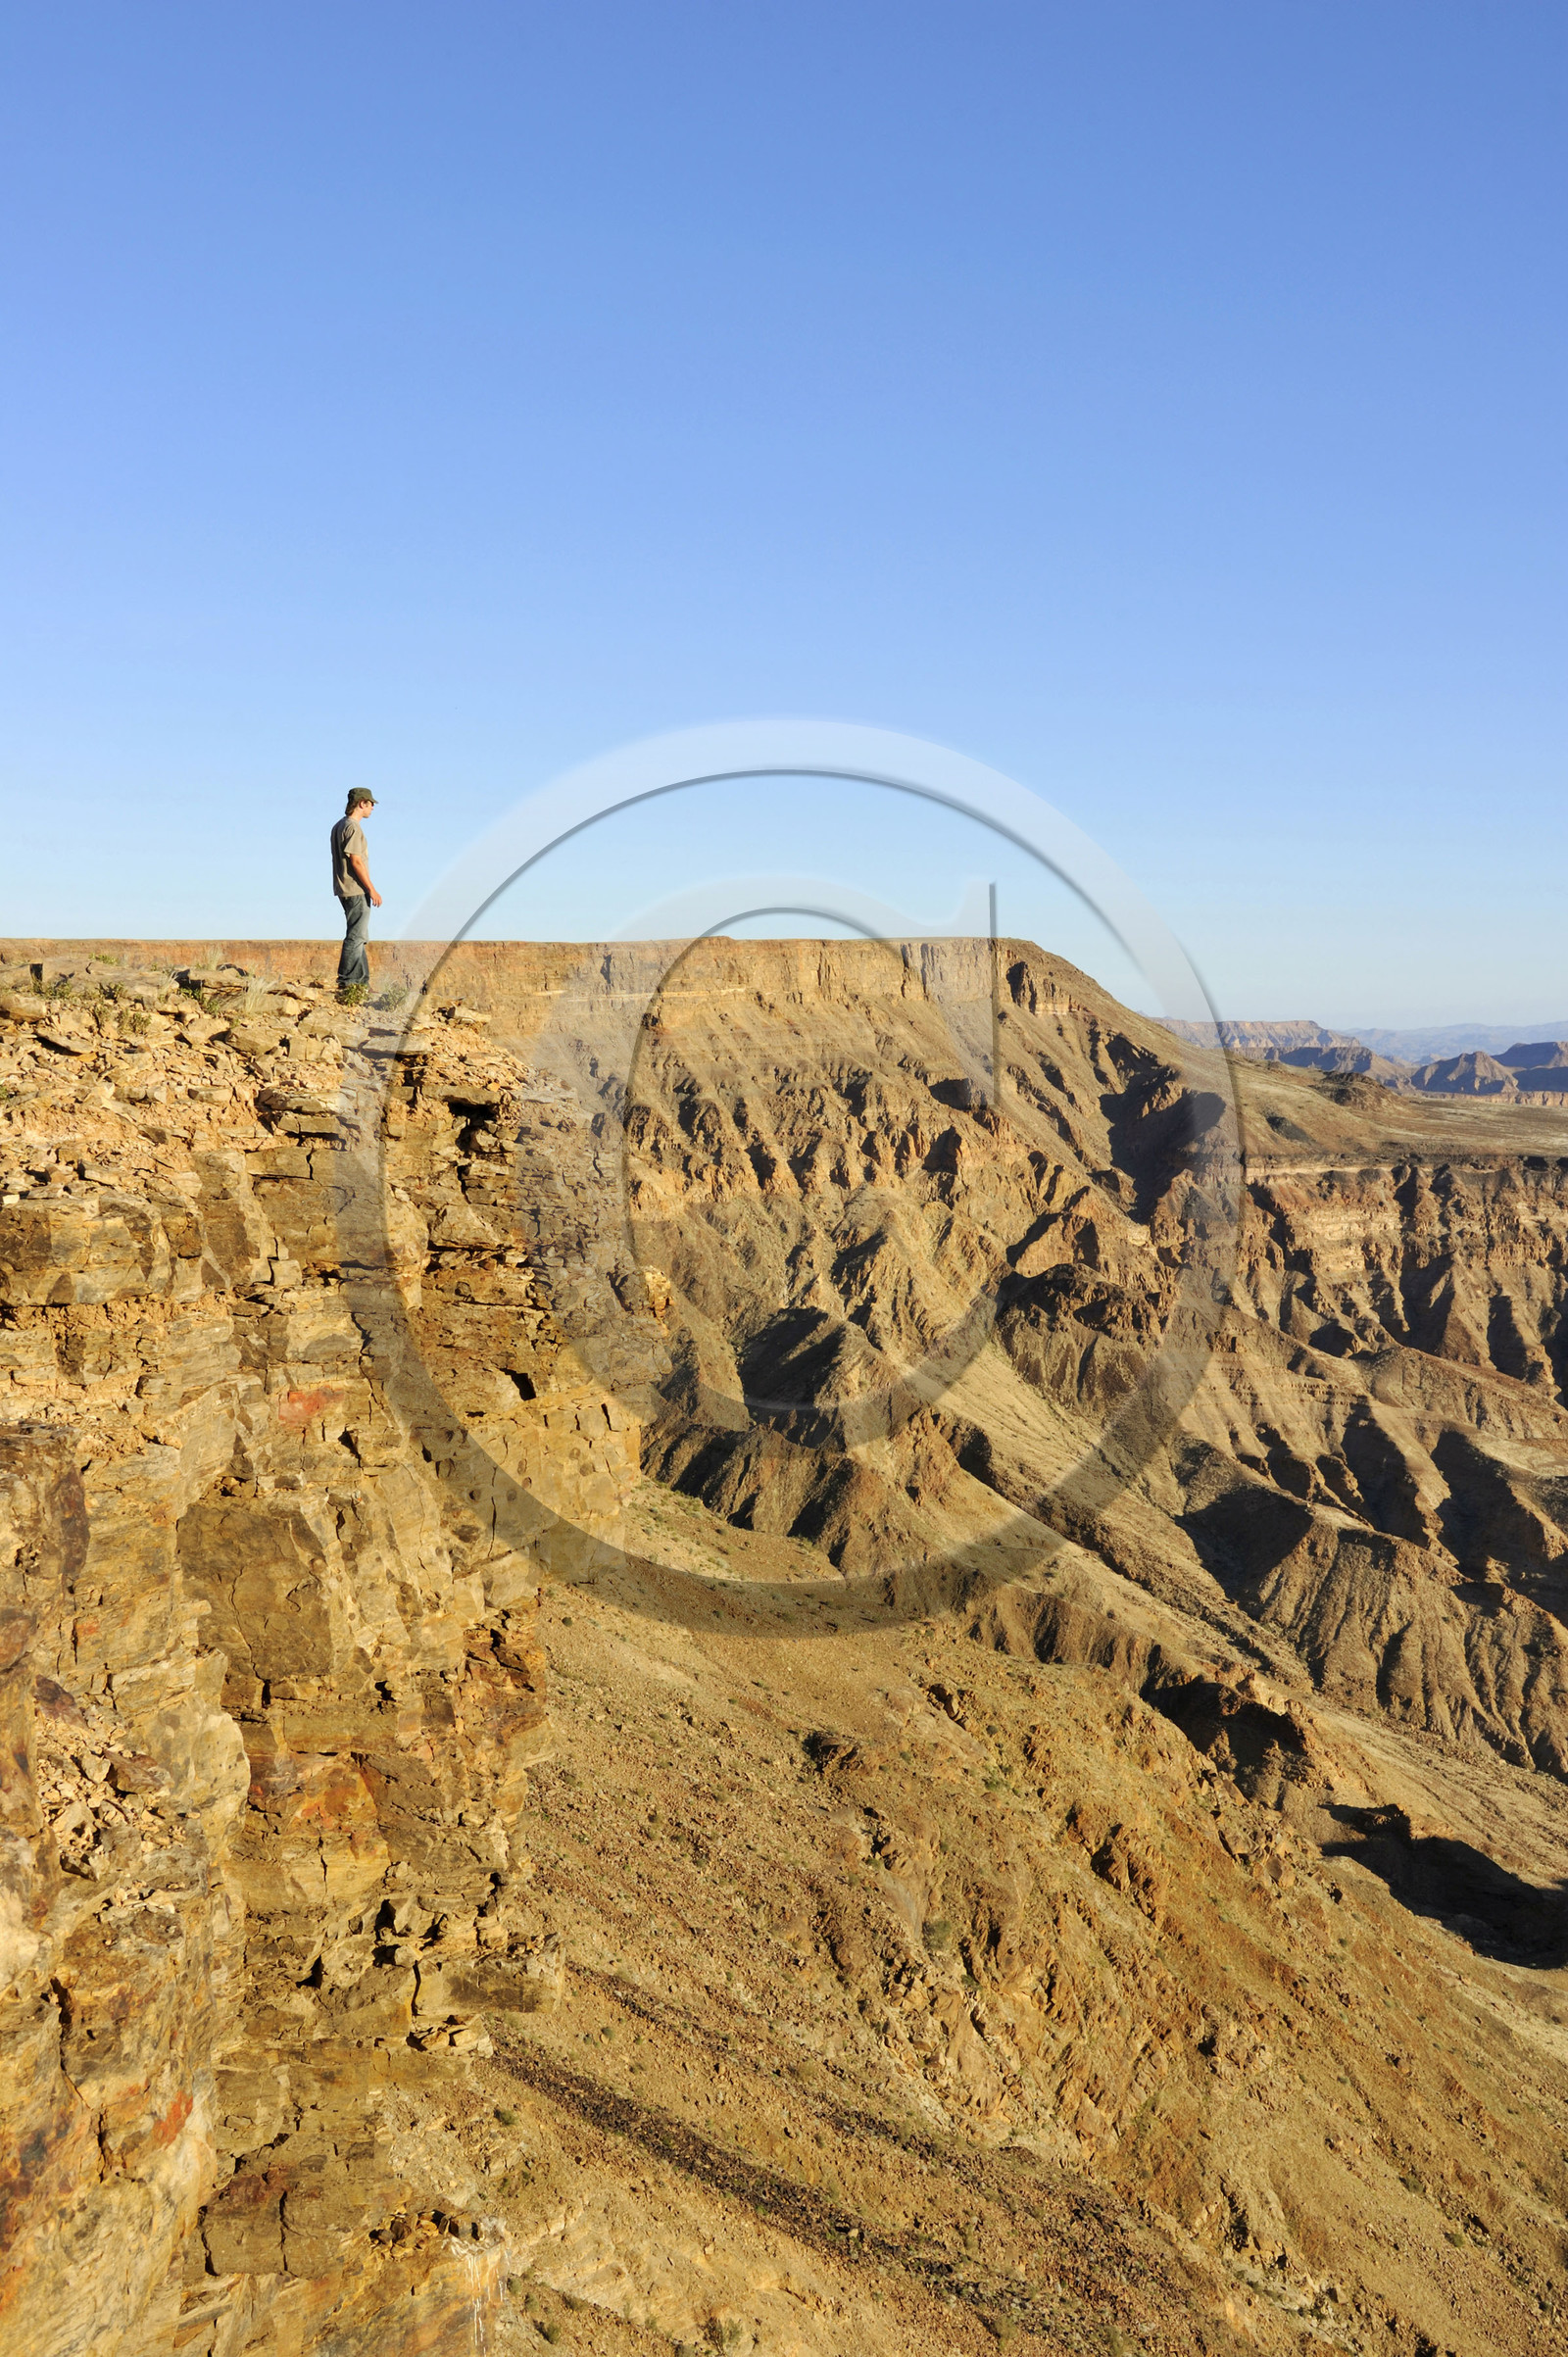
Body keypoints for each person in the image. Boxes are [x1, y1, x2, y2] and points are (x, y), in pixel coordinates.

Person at [329, 790, 382, 991]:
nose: (372, 808)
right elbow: (356, 861)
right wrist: (372, 889)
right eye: (370, 804)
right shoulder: (352, 827)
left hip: (344, 888)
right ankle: (348, 982)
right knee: (356, 936)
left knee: (360, 935)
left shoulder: (339, 825)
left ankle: (361, 983)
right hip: (355, 889)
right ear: (361, 803)